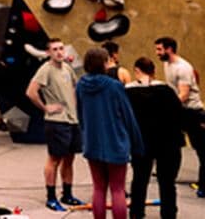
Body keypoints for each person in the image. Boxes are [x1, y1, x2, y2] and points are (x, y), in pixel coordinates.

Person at [76, 48, 143, 219]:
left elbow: (80, 114)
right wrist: (137, 143)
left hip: (92, 142)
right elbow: (128, 116)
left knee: (98, 188)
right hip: (116, 142)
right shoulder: (114, 86)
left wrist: (85, 137)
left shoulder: (81, 86)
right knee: (118, 189)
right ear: (104, 63)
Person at [25, 38, 85, 212]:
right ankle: (50, 198)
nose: (59, 52)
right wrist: (46, 107)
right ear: (48, 53)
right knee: (54, 159)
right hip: (56, 122)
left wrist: (75, 109)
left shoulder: (67, 68)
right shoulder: (46, 70)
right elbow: (31, 92)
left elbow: (74, 87)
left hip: (72, 120)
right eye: (55, 49)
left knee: (70, 159)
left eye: (61, 49)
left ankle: (67, 194)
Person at [125, 57, 184, 219]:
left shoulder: (128, 92)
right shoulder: (167, 91)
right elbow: (179, 115)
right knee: (167, 182)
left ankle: (136, 213)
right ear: (154, 71)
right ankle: (169, 213)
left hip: (141, 142)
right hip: (167, 143)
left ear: (136, 70)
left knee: (139, 180)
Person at [154, 37, 205, 198]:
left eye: (159, 50)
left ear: (169, 49)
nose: (157, 53)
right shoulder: (167, 63)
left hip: (192, 113)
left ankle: (203, 186)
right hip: (178, 111)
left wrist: (166, 107)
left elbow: (183, 95)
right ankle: (167, 173)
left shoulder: (183, 68)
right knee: (170, 144)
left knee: (202, 150)